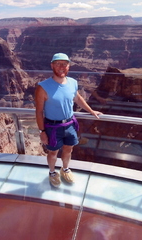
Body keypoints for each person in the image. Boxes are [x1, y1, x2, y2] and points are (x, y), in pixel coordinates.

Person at [35, 53, 102, 187]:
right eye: (58, 64)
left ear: (68, 66)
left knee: (68, 149)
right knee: (53, 152)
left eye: (64, 64)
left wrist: (91, 111)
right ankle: (52, 172)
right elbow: (39, 111)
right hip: (52, 127)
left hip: (70, 124)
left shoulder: (73, 82)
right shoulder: (42, 87)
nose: (61, 67)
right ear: (52, 65)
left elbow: (77, 98)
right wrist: (42, 131)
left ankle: (65, 169)